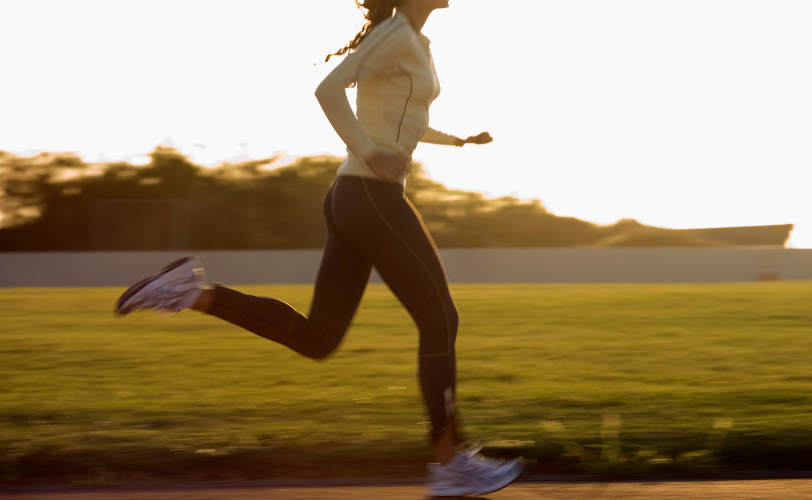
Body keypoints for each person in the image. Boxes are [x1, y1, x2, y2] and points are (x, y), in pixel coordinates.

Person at [115, 0, 523, 495]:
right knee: (440, 318)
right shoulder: (396, 33)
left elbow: (403, 115)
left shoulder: (412, 40)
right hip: (369, 195)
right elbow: (328, 90)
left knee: (319, 338)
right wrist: (369, 152)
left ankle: (186, 292)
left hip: (356, 198)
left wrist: (457, 141)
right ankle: (448, 464)